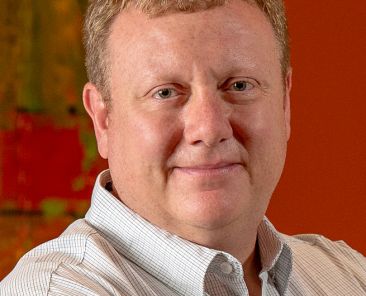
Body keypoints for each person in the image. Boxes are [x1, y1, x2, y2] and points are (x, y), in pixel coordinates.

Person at [1, 0, 365, 295]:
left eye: (239, 86)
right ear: (103, 119)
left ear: (284, 103)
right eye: (165, 92)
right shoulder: (58, 289)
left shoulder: (346, 274)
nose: (209, 129)